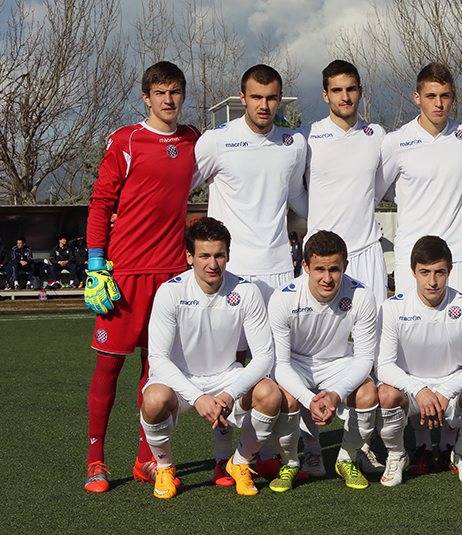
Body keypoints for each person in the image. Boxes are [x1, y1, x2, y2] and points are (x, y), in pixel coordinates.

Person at [83, 61, 200, 493]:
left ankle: (146, 460)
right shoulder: (125, 140)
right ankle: (96, 461)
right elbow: (100, 204)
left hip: (172, 276)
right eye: (160, 92)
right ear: (146, 97)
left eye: (176, 92)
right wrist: (96, 265)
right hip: (125, 275)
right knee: (109, 367)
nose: (169, 100)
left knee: (157, 373)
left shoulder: (192, 140)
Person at [379, 62, 462, 469]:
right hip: (415, 257)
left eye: (445, 96)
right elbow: (380, 190)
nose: (438, 103)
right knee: (414, 347)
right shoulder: (397, 142)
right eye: (430, 96)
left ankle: (451, 442)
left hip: (459, 254)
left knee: (457, 348)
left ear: (453, 97)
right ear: (417, 97)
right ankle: (421, 442)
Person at [193, 64, 309, 481]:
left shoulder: (293, 145)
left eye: (272, 97)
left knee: (275, 373)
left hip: (279, 272)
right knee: (231, 369)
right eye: (256, 97)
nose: (264, 105)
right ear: (242, 98)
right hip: (230, 275)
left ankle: (268, 452)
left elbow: (298, 198)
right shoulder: (215, 142)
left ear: (280, 99)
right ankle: (226, 454)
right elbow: (178, 189)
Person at [141, 217, 283, 498]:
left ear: (228, 255)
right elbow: (157, 358)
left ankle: (239, 463)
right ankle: (164, 467)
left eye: (219, 255)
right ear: (189, 256)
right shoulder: (170, 292)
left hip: (226, 376)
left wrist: (230, 394)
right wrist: (197, 397)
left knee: (270, 394)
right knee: (154, 400)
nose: (213, 264)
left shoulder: (246, 291)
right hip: (180, 378)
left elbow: (265, 355)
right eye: (204, 255)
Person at [297, 59, 388, 476]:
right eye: (337, 90)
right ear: (325, 94)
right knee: (311, 349)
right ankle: (310, 443)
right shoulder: (307, 138)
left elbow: (380, 187)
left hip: (367, 253)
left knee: (372, 352)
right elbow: (294, 193)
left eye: (351, 89)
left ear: (360, 91)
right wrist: (317, 223)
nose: (345, 97)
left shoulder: (377, 136)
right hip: (321, 259)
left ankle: (359, 443)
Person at [376, 236, 462, 485]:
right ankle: (397, 455)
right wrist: (418, 389)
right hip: (411, 391)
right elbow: (384, 365)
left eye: (439, 272)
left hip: (451, 390)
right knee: (385, 394)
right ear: (412, 271)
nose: (432, 281)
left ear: (450, 270)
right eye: (425, 272)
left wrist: (446, 390)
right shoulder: (393, 308)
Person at [268, 230, 379, 492]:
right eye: (319, 269)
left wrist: (336, 395)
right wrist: (310, 398)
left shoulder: (361, 295)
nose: (327, 278)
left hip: (338, 361)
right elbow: (280, 365)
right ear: (304, 266)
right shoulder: (283, 297)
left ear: (346, 266)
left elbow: (364, 358)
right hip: (296, 362)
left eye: (335, 269)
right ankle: (295, 460)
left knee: (368, 393)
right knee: (286, 396)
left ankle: (346, 458)